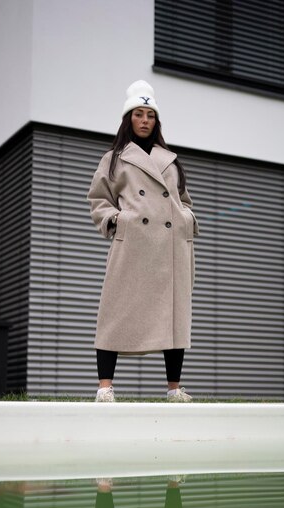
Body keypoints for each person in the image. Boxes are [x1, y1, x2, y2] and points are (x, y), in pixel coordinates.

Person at [87, 80, 199, 402]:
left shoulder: (170, 159)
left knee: (174, 316)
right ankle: (105, 387)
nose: (145, 120)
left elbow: (184, 201)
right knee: (114, 312)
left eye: (150, 114)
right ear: (129, 118)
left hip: (171, 247)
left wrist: (187, 220)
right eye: (139, 113)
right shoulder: (114, 159)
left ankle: (174, 389)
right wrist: (116, 220)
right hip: (134, 244)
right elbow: (98, 199)